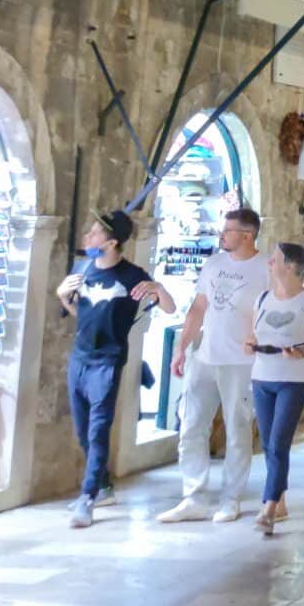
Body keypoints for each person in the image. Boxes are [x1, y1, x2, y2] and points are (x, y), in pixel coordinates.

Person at [59, 209, 173, 527]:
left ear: (111, 243)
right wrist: (64, 297)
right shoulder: (82, 270)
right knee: (83, 429)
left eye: (95, 234)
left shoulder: (131, 275)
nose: (88, 238)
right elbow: (80, 315)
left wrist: (159, 289)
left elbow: (170, 307)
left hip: (107, 362)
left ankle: (87, 498)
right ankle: (104, 486)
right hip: (79, 359)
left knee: (97, 430)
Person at [159, 206, 263, 524]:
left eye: (228, 230)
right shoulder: (213, 264)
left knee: (237, 430)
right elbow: (199, 307)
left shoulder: (267, 268)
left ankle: (231, 498)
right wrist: (182, 348)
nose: (222, 234)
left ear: (246, 235)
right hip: (204, 356)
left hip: (241, 361)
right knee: (191, 426)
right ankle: (193, 496)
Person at [243, 241, 304, 535]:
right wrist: (250, 344)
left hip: (293, 378)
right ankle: (279, 499)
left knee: (279, 442)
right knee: (268, 443)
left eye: (274, 259)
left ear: (289, 267)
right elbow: (254, 331)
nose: (269, 263)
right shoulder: (263, 298)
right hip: (262, 374)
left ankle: (267, 508)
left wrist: (303, 352)